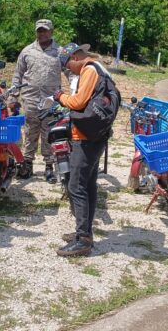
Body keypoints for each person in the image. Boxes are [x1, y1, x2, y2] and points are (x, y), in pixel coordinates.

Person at [53, 43, 111, 257]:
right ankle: (84, 232)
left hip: (86, 138)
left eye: (68, 65)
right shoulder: (98, 69)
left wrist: (60, 97)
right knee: (88, 186)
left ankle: (83, 239)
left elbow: (78, 102)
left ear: (76, 57)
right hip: (95, 136)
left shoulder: (89, 70)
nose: (69, 70)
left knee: (75, 186)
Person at [10, 19, 62, 183]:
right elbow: (18, 75)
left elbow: (71, 73)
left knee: (49, 133)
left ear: (51, 32)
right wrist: (13, 96)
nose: (42, 33)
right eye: (39, 31)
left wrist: (76, 92)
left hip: (50, 101)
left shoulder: (60, 52)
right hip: (30, 99)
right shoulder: (27, 51)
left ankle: (48, 166)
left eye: (45, 31)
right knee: (30, 132)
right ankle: (27, 165)